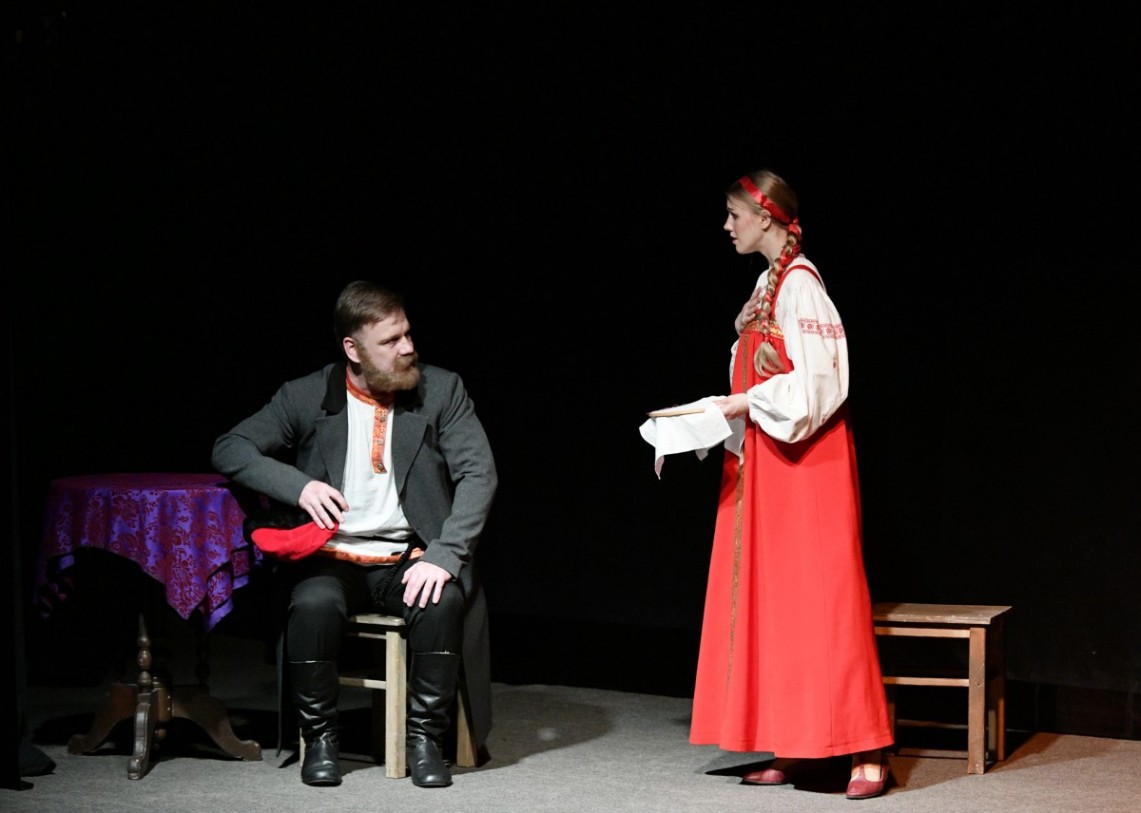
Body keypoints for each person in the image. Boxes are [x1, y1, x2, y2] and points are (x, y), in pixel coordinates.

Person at [212, 280, 497, 789]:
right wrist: (298, 487)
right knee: (313, 604)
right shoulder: (305, 395)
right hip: (332, 557)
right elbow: (230, 448)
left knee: (442, 600)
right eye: (390, 340)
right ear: (353, 348)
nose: (407, 347)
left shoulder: (442, 390)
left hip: (408, 555)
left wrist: (446, 553)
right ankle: (321, 738)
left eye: (407, 333)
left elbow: (479, 473)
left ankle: (425, 740)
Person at [687, 170, 895, 799]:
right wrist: (725, 409)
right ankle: (799, 743)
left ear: (766, 217)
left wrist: (745, 403)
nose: (727, 226)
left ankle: (867, 747)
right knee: (778, 605)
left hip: (808, 463)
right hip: (767, 460)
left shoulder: (802, 286)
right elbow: (754, 371)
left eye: (734, 215)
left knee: (826, 602)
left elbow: (821, 385)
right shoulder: (765, 285)